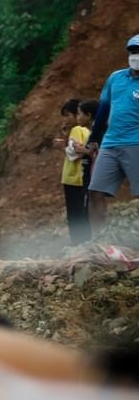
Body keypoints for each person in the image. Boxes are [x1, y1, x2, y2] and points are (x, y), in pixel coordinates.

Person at [86, 34, 139, 233]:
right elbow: (103, 110)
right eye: (133, 52)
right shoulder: (115, 78)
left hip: (136, 143)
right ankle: (98, 241)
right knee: (95, 192)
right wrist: (93, 138)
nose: (136, 56)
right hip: (110, 143)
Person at [57, 99, 90, 244]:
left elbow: (74, 153)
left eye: (67, 115)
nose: (65, 119)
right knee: (81, 211)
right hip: (79, 178)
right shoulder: (87, 130)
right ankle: (84, 242)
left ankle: (79, 243)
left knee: (75, 213)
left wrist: (63, 146)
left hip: (74, 178)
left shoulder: (77, 130)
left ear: (77, 114)